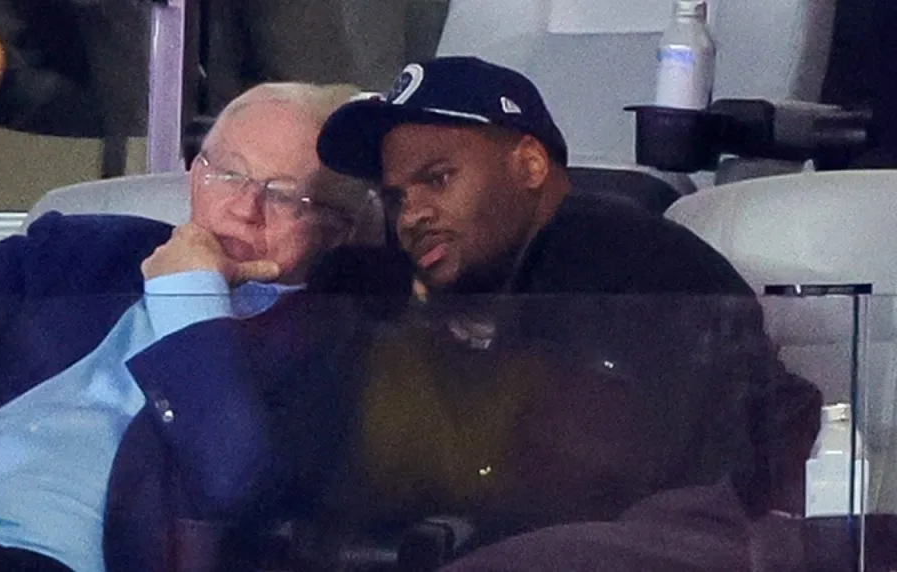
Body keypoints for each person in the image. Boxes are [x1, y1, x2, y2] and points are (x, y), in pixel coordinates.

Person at [314, 56, 822, 569]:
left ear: (530, 165)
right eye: (397, 199)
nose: (412, 216)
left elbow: (586, 478)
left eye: (439, 178)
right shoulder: (518, 281)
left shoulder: (601, 250)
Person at [0, 81, 384, 572]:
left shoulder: (337, 346)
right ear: (194, 175)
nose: (245, 209)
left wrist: (189, 298)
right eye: (230, 174)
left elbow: (232, 481)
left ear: (339, 229)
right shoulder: (86, 253)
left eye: (285, 197)